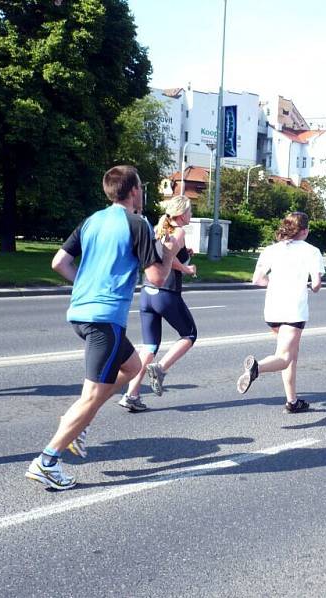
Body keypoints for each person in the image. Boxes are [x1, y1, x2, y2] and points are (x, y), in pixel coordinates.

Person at [25, 165, 172, 490]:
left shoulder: (92, 221)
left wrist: (84, 287)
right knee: (91, 396)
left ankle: (78, 423)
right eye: (142, 188)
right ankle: (47, 461)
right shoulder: (138, 224)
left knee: (132, 366)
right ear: (133, 190)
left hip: (82, 312)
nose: (143, 192)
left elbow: (59, 263)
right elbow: (156, 278)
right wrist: (170, 252)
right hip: (105, 319)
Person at [236, 212, 324, 413]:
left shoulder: (270, 250)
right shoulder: (312, 251)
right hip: (294, 310)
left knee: (290, 354)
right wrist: (308, 286)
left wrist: (276, 285)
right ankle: (256, 368)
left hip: (273, 308)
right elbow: (317, 285)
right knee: (284, 357)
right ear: (304, 231)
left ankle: (292, 401)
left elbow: (257, 279)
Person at [118, 195, 197, 411]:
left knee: (150, 346)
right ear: (181, 214)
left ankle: (131, 395)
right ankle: (160, 369)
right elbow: (168, 260)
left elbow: (163, 253)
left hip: (147, 293)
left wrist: (184, 255)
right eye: (190, 211)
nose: (191, 215)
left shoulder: (158, 228)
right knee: (189, 335)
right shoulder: (179, 231)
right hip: (166, 292)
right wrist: (187, 268)